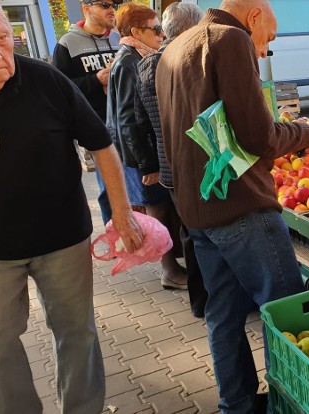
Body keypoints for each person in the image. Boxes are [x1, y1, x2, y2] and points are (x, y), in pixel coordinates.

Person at [156, 0, 309, 410]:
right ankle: (290, 402)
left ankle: (237, 405)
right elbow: (259, 138)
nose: (265, 50)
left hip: (197, 209)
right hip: (241, 206)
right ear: (253, 18)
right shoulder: (229, 40)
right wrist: (305, 132)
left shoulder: (174, 49)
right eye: (268, 38)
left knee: (223, 315)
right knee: (285, 313)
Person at [0, 0, 143, 412]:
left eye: (2, 38)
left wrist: (121, 214)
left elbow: (102, 144)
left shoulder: (45, 79)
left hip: (63, 238)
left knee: (77, 333)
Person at [107, 2, 188, 288]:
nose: (161, 35)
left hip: (141, 152)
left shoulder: (133, 55)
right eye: (155, 29)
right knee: (158, 211)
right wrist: (148, 164)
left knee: (162, 209)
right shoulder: (130, 62)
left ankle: (173, 265)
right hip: (140, 155)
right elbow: (129, 118)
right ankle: (169, 271)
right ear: (136, 31)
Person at [136, 2, 208, 316]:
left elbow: (138, 119)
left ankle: (199, 302)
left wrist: (149, 164)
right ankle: (211, 300)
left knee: (188, 233)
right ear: (194, 28)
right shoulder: (186, 60)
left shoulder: (144, 64)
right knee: (204, 234)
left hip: (168, 167)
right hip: (193, 163)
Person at [52, 0, 121, 223]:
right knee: (107, 184)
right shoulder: (67, 43)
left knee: (130, 181)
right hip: (95, 123)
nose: (112, 9)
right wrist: (95, 80)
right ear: (87, 8)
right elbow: (61, 88)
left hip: (124, 118)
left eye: (115, 4)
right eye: (105, 4)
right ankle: (113, 233)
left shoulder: (117, 37)